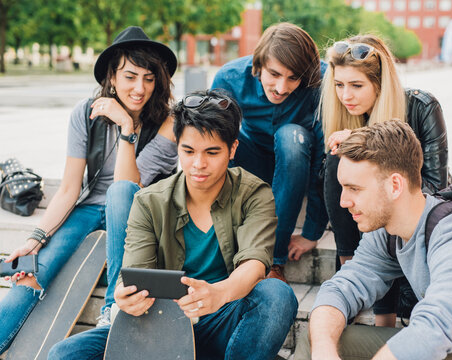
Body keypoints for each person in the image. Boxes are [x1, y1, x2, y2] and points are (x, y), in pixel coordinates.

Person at [48, 90, 298, 360]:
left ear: (232, 149)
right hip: (159, 325)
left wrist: (218, 293)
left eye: (212, 152)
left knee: (277, 294)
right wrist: (126, 298)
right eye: (188, 151)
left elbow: (255, 265)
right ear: (178, 144)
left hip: (223, 319)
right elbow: (134, 272)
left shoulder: (254, 193)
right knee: (65, 353)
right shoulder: (149, 202)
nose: (198, 164)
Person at [295, 120, 452, 360]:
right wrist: (324, 350)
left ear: (395, 186)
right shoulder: (387, 232)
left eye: (354, 189)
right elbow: (343, 287)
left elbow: (433, 331)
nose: (343, 202)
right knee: (318, 338)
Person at [0, 26, 178, 353]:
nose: (140, 88)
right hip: (87, 211)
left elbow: (129, 187)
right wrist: (35, 238)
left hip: (135, 212)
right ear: (111, 78)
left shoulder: (168, 122)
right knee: (31, 275)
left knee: (117, 195)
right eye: (130, 76)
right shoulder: (85, 112)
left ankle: (112, 313)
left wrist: (126, 128)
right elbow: (69, 188)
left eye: (149, 78)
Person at [321, 34, 449, 326]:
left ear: (380, 84)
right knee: (336, 162)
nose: (345, 96)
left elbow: (434, 188)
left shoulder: (421, 106)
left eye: (356, 85)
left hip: (418, 214)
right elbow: (340, 194)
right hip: (366, 233)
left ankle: (384, 316)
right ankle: (350, 269)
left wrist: (365, 143)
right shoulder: (345, 117)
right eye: (339, 85)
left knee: (382, 201)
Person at [211, 22, 328, 283]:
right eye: (274, 74)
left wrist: (311, 231)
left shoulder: (323, 81)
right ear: (258, 65)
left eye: (293, 78)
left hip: (297, 158)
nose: (281, 88)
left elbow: (324, 158)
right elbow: (207, 146)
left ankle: (274, 261)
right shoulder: (228, 78)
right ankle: (223, 248)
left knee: (291, 136)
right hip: (251, 157)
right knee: (220, 138)